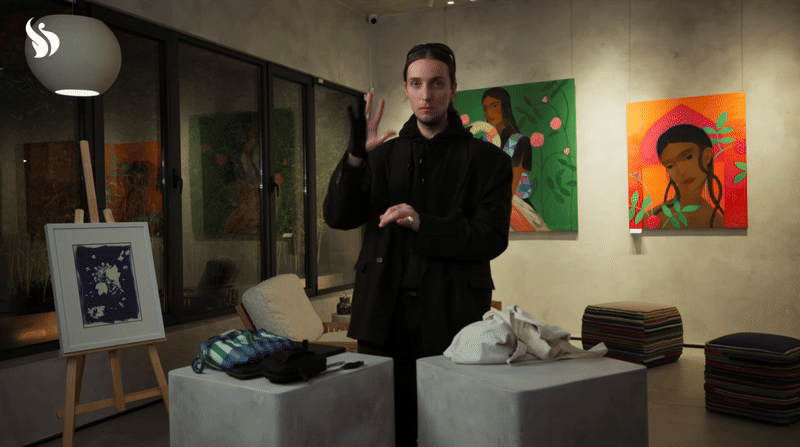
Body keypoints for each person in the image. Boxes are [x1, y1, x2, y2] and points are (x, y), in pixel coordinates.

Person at [323, 43, 512, 446]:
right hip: (382, 314)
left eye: (437, 84)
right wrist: (355, 158)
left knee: (451, 424)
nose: (426, 95)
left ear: (453, 88)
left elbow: (491, 238)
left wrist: (424, 223)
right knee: (382, 425)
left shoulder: (488, 161)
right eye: (416, 84)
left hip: (453, 313)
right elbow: (338, 216)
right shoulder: (380, 155)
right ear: (406, 89)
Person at [481, 87, 549, 232]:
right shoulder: (484, 141)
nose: (489, 112)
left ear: (505, 106)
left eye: (494, 105)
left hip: (514, 203)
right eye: (485, 108)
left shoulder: (520, 141)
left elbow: (512, 182)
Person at [648, 123, 724, 228]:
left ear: (707, 156)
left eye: (689, 157)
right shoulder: (654, 217)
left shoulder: (716, 219)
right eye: (670, 166)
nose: (681, 171)